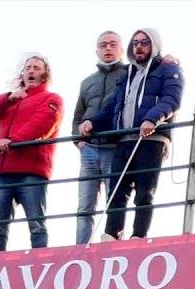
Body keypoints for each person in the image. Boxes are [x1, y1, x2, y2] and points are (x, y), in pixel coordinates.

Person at [81, 28, 183, 241]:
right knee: (117, 190)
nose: (139, 46)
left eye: (144, 42)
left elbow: (172, 99)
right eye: (135, 42)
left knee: (145, 190)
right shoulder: (128, 73)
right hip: (125, 137)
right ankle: (111, 234)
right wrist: (92, 121)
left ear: (154, 44)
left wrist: (152, 119)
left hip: (151, 138)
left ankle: (139, 235)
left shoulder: (168, 68)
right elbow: (113, 105)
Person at [0, 54, 64, 250]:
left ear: (45, 74)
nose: (31, 71)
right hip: (4, 170)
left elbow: (43, 123)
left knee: (36, 223)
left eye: (36, 67)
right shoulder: (12, 101)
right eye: (28, 67)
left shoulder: (51, 98)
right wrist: (9, 97)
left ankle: (39, 259)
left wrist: (13, 140)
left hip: (31, 169)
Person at [71, 32, 127, 246]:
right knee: (85, 205)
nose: (108, 48)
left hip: (114, 147)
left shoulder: (128, 74)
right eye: (103, 45)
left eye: (113, 44)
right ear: (97, 50)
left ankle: (111, 242)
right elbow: (77, 115)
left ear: (121, 49)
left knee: (114, 200)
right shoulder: (87, 82)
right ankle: (81, 247)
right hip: (89, 149)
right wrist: (78, 140)